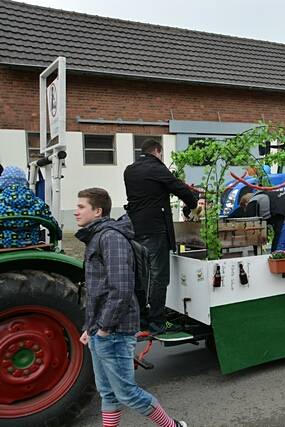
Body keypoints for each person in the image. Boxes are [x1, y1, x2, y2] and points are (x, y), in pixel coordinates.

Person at [74, 188, 187, 427]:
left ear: (98, 211)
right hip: (101, 330)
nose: (76, 211)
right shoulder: (96, 236)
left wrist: (103, 328)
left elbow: (121, 288)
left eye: (81, 206)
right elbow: (98, 290)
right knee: (108, 393)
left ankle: (173, 426)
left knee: (127, 393)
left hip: (114, 331)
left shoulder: (110, 238)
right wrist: (91, 327)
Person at [124, 139, 199, 335]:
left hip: (134, 230)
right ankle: (158, 322)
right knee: (159, 276)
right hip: (155, 229)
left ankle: (141, 319)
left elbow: (154, 191)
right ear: (157, 151)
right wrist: (193, 202)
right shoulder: (156, 167)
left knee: (140, 276)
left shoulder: (130, 170)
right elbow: (179, 188)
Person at [0, 166, 57, 248]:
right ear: (24, 182)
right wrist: (58, 234)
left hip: (3, 246)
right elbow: (52, 223)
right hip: (31, 245)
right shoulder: (38, 203)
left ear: (3, 182)